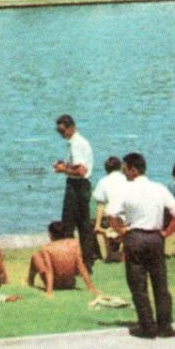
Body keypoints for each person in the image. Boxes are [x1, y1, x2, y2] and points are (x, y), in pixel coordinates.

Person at [106, 152, 175, 339]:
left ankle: (147, 326)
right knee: (160, 284)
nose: (124, 172)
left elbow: (110, 214)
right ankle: (165, 326)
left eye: (125, 168)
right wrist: (167, 232)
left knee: (138, 286)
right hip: (155, 238)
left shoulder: (125, 190)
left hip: (135, 237)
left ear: (133, 170)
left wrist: (121, 230)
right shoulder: (159, 188)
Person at [53, 114, 97, 272]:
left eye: (62, 131)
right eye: (58, 131)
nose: (61, 134)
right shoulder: (79, 142)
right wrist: (66, 165)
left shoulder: (76, 144)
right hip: (82, 185)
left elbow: (81, 171)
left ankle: (72, 262)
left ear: (71, 127)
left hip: (77, 185)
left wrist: (63, 169)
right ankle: (86, 262)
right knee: (84, 225)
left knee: (69, 225)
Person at [28, 221, 102, 297]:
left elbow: (48, 270)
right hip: (70, 283)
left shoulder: (47, 248)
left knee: (35, 256)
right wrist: (91, 288)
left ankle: (30, 281)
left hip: (55, 285)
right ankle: (30, 282)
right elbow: (81, 267)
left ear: (50, 234)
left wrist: (49, 292)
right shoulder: (74, 244)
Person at [93, 156, 128, 262]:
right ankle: (122, 253)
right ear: (121, 166)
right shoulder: (127, 179)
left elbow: (100, 205)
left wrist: (97, 225)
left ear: (106, 169)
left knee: (103, 220)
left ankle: (109, 254)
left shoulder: (103, 182)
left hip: (111, 218)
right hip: (127, 217)